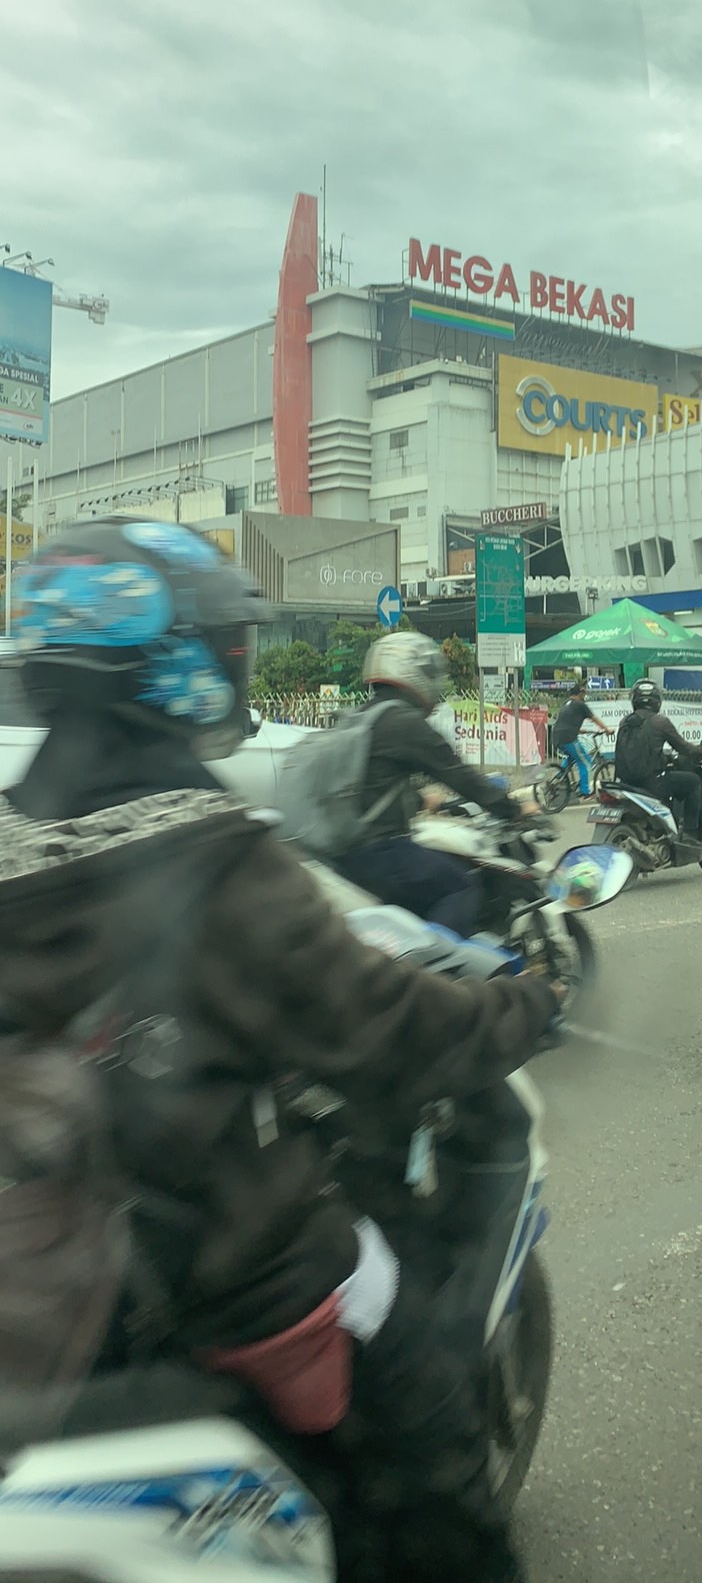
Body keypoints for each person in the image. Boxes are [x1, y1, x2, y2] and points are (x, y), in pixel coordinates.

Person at [3, 519, 561, 1583]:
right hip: (223, 1275)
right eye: (225, 640)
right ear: (172, 658)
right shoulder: (204, 850)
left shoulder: (13, 840)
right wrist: (526, 1009)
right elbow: (381, 1030)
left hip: (41, 1285)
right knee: (435, 1447)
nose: (237, 659)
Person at [328, 632, 527, 938]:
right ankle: (436, 976)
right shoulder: (405, 723)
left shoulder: (363, 716)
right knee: (460, 886)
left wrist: (422, 800)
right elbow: (460, 775)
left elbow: (368, 782)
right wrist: (514, 809)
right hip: (379, 851)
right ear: (413, 674)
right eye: (431, 676)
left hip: (345, 848)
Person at [614, 679, 702, 840]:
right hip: (652, 782)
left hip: (626, 782)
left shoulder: (625, 722)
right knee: (693, 782)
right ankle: (690, 834)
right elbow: (684, 748)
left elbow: (635, 751)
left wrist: (663, 757)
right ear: (657, 701)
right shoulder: (660, 722)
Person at [550, 681, 608, 799]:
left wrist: (584, 731)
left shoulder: (565, 704)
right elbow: (594, 719)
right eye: (584, 692)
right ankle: (585, 791)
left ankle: (559, 778)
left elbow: (566, 724)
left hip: (556, 737)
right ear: (580, 693)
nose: (584, 695)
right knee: (585, 761)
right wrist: (607, 729)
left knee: (571, 757)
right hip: (569, 738)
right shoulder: (580, 705)